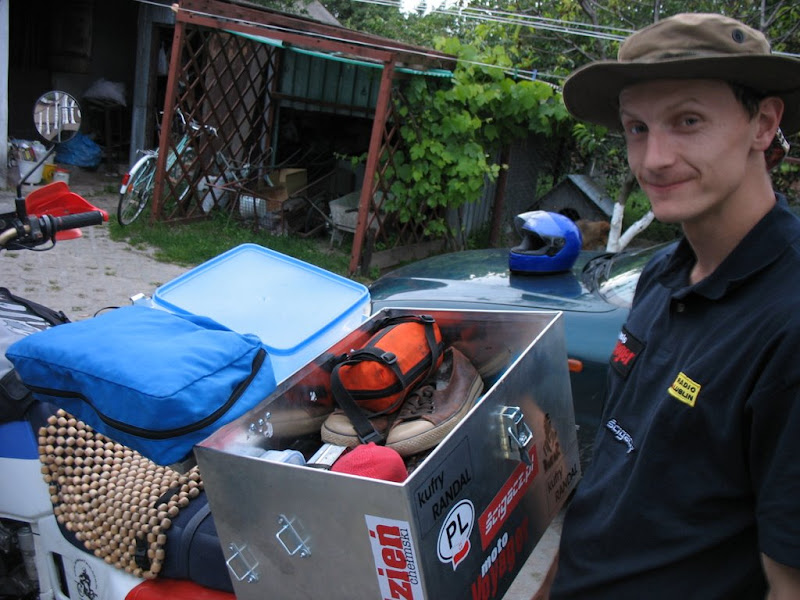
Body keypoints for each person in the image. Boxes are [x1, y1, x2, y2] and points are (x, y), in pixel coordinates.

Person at [542, 12, 800, 599]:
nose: (654, 158)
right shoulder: (664, 272)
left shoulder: (788, 322)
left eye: (688, 121)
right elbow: (615, 471)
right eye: (637, 127)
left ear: (763, 124)